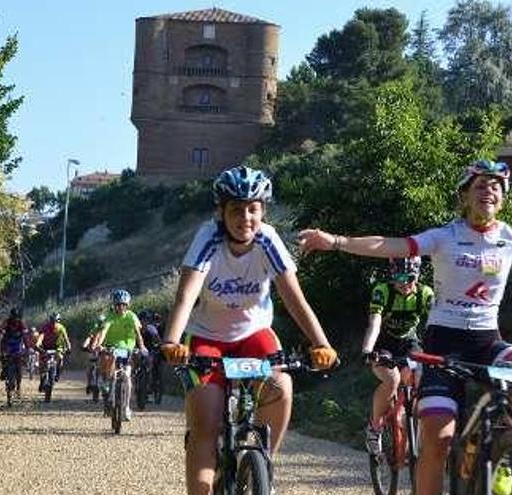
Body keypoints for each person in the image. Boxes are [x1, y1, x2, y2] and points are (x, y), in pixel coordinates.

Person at [298, 159, 512, 495]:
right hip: (442, 345)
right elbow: (391, 245)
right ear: (465, 196)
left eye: (495, 186)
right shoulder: (445, 236)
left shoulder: (510, 238)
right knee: (438, 439)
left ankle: (499, 453)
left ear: (502, 199)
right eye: (479, 185)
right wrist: (336, 241)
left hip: (488, 343)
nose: (488, 191)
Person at [158, 165, 339, 495]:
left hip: (253, 335)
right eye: (236, 209)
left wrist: (321, 344)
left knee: (280, 385)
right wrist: (171, 341)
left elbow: (295, 299)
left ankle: (260, 467)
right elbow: (186, 295)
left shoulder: (268, 240)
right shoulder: (208, 238)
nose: (246, 218)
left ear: (263, 211)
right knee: (206, 421)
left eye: (253, 209)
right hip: (206, 339)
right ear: (221, 212)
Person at [362, 256, 434, 455]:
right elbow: (375, 323)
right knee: (391, 380)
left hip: (409, 343)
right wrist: (368, 350)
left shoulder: (425, 293)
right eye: (398, 277)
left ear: (417, 275)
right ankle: (374, 428)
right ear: (392, 276)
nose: (403, 283)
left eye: (409, 277)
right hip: (383, 345)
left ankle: (410, 418)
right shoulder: (382, 291)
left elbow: (436, 323)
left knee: (422, 377)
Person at [93, 289, 147, 419]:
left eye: (123, 305)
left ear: (127, 305)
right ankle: (106, 385)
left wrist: (142, 347)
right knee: (107, 367)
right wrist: (99, 344)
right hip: (111, 347)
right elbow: (104, 331)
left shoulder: (131, 316)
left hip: (128, 349)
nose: (120, 307)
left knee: (127, 377)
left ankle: (126, 407)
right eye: (117, 304)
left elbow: (138, 334)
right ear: (114, 305)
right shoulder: (109, 316)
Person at [0, 308, 29, 396]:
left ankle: (18, 387)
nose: (15, 320)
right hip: (6, 345)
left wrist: (27, 349)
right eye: (13, 317)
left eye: (17, 318)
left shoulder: (21, 324)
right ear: (11, 316)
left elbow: (25, 338)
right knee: (4, 358)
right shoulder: (6, 323)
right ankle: (4, 370)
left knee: (19, 367)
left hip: (17, 346)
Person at [36, 313, 71, 389]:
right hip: (46, 347)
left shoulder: (61, 328)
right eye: (52, 321)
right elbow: (41, 337)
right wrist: (37, 345)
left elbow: (66, 339)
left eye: (56, 321)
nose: (54, 323)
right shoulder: (45, 327)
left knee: (60, 357)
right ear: (50, 321)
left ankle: (57, 373)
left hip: (57, 347)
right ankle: (42, 380)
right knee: (42, 363)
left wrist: (69, 348)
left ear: (59, 321)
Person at [82, 314, 106, 394]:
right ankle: (89, 383)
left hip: (103, 352)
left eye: (102, 322)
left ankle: (105, 384)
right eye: (99, 322)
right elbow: (88, 338)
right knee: (89, 368)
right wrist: (84, 345)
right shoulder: (94, 330)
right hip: (93, 351)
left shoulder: (107, 330)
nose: (101, 324)